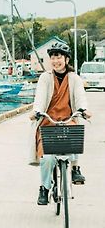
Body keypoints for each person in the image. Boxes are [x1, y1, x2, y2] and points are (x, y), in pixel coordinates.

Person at [29, 42, 92, 205]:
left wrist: (83, 109)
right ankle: (44, 188)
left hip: (67, 119)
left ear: (66, 59)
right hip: (48, 122)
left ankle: (75, 168)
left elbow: (80, 97)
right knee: (48, 158)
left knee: (75, 133)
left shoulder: (74, 78)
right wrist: (36, 111)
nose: (56, 61)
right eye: (53, 57)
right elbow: (40, 97)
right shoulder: (45, 78)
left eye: (59, 57)